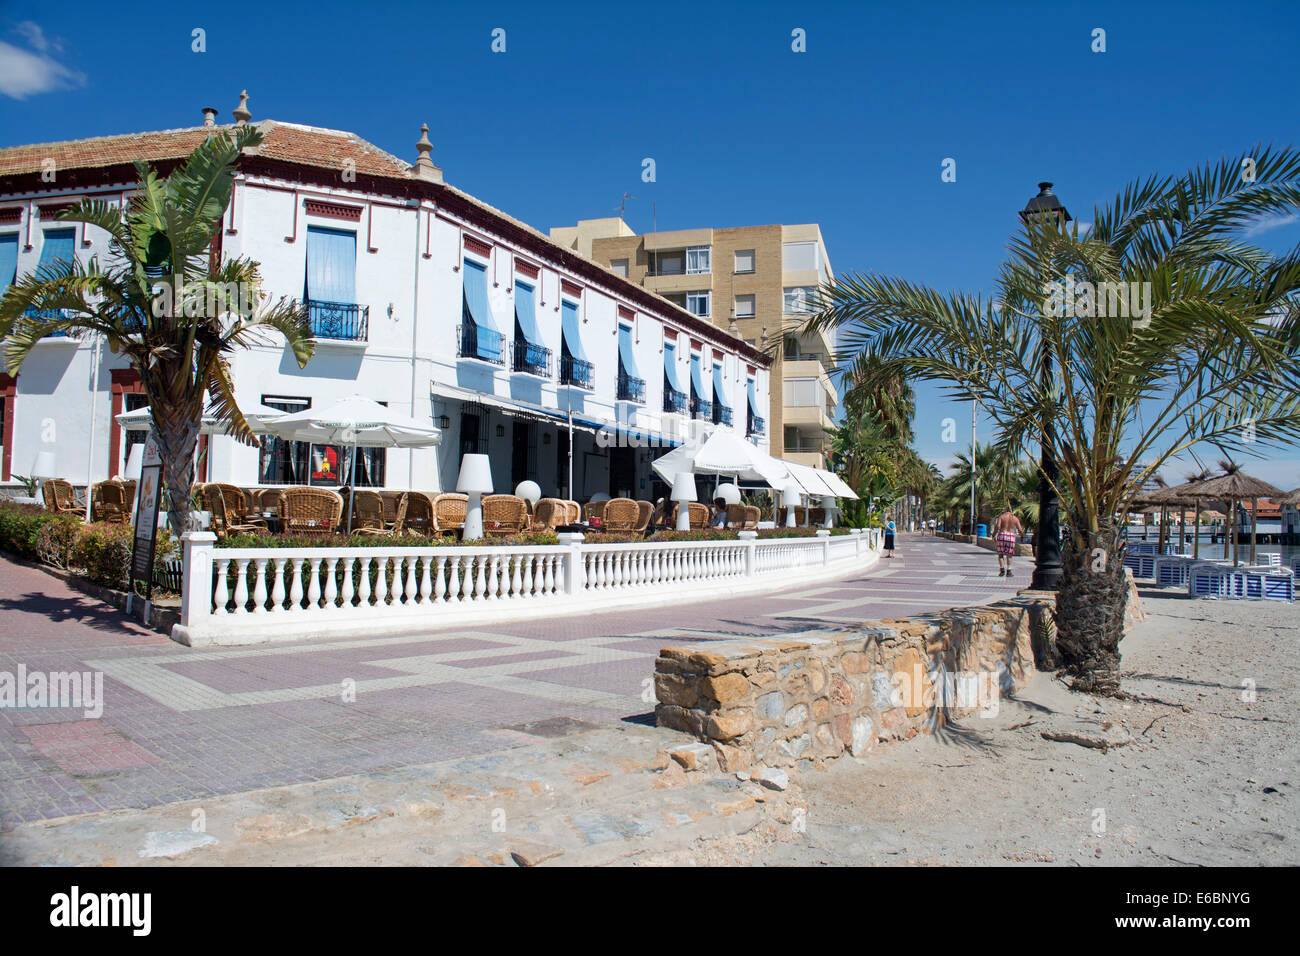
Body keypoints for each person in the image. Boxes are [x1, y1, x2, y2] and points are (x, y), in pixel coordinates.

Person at [993, 504, 1023, 577]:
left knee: (1000, 554)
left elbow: (998, 526)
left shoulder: (1002, 517)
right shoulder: (1015, 518)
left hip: (1002, 534)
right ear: (1012, 510)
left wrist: (994, 534)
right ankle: (1009, 571)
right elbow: (1020, 529)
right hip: (1011, 536)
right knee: (1009, 555)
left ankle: (1002, 570)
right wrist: (1022, 536)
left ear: (1005, 510)